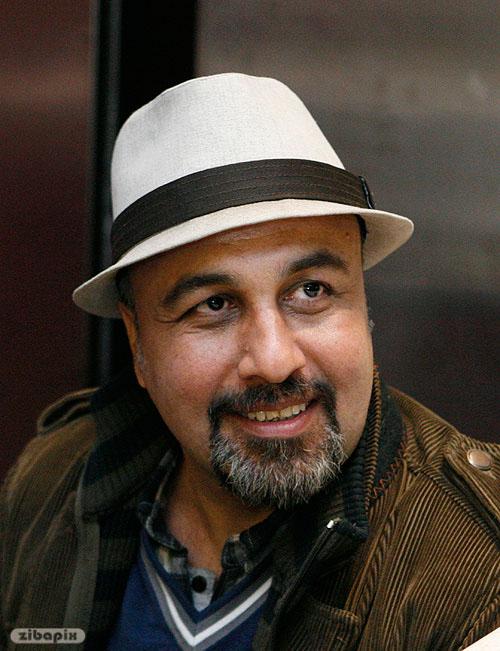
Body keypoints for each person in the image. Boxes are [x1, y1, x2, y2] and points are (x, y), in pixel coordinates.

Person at [1, 73, 498, 651]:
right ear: (137, 341)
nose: (274, 360)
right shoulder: (57, 477)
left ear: (363, 302)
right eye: (214, 305)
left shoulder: (478, 570)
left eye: (311, 291)